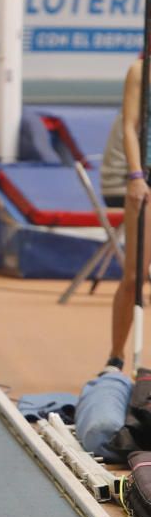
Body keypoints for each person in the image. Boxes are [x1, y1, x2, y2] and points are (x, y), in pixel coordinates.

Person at [100, 57, 150, 373]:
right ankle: (116, 356)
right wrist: (135, 176)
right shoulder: (139, 70)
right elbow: (129, 127)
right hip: (145, 178)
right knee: (134, 276)